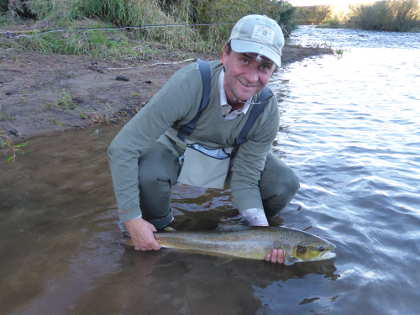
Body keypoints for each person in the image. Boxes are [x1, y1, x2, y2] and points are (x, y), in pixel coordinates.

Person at [108, 14, 299, 264]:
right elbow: (122, 148)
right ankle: (159, 230)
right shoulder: (190, 82)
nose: (252, 77)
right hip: (177, 149)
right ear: (225, 55)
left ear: (273, 70)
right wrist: (131, 218)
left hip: (230, 157)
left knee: (284, 183)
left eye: (264, 67)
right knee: (148, 173)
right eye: (244, 60)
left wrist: (263, 237)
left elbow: (246, 178)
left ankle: (236, 229)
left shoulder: (267, 109)